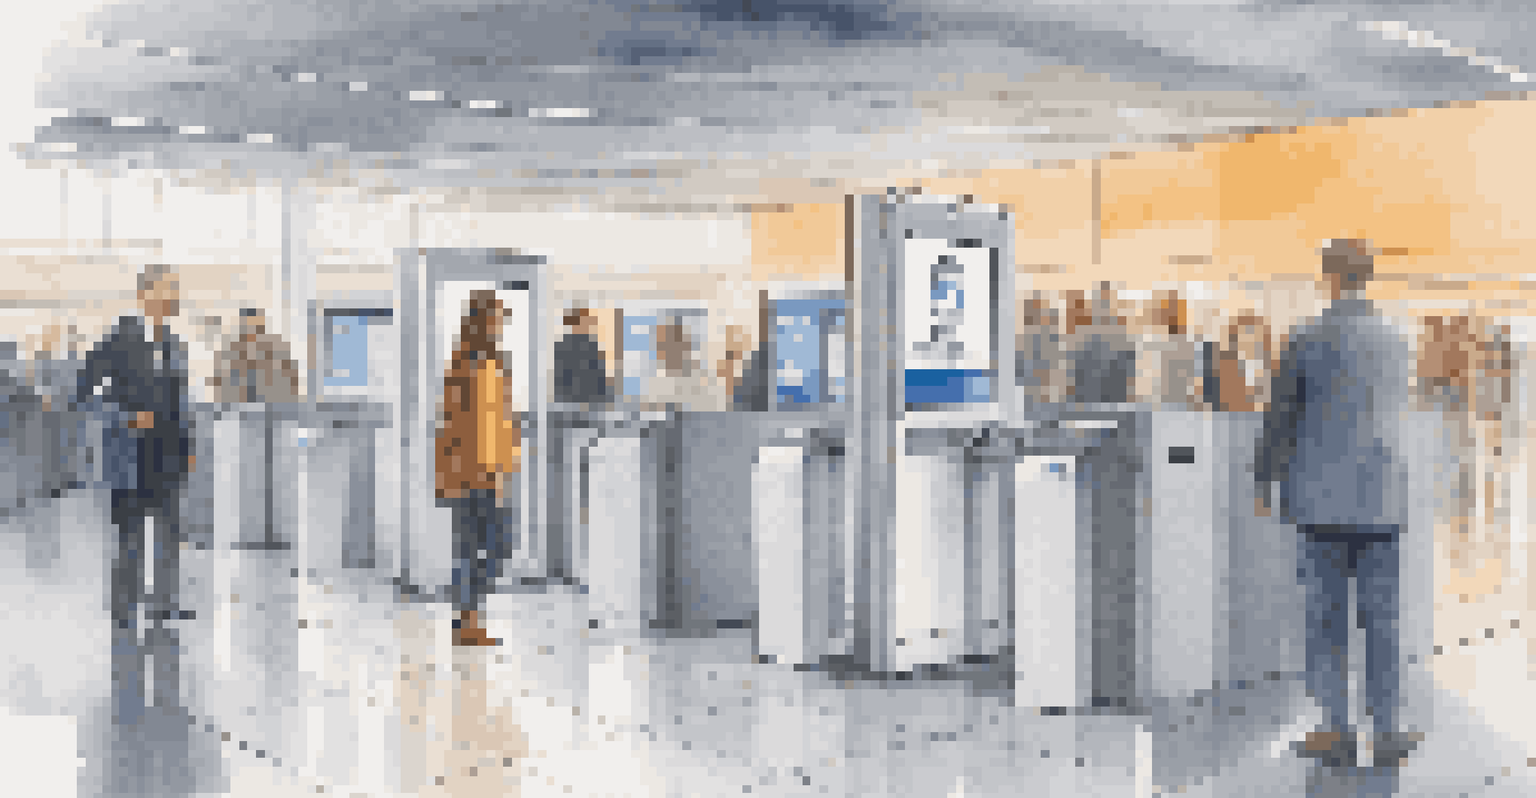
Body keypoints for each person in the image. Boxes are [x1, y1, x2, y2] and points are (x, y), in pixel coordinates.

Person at [1254, 239, 1419, 768]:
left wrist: (1265, 481)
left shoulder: (1307, 338)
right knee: (1383, 620)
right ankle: (1387, 727)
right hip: (1382, 501)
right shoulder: (1398, 340)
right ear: (1369, 275)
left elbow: (1279, 420)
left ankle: (1334, 730)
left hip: (1321, 502)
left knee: (1324, 619)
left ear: (1328, 275)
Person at [74, 264, 196, 725]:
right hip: (130, 456)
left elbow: (181, 399)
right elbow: (82, 393)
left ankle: (163, 606)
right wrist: (123, 417)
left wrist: (188, 447)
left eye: (176, 292)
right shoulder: (117, 340)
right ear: (147, 294)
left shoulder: (173, 342)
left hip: (167, 456)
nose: (175, 298)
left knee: (169, 535)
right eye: (169, 291)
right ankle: (123, 611)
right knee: (129, 537)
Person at [436, 291, 519, 647]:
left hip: (468, 471)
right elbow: (484, 426)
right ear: (484, 320)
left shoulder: (470, 361)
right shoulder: (479, 364)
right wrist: (498, 472)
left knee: (472, 547)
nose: (502, 325)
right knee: (495, 544)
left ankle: (467, 619)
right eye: (498, 318)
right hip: (478, 472)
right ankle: (467, 619)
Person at [211, 308, 301, 404]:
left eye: (255, 325)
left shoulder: (275, 343)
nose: (251, 329)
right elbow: (221, 378)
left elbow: (290, 371)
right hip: (239, 398)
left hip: (272, 397)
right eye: (248, 325)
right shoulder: (233, 347)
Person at [552, 307, 613, 406]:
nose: (590, 325)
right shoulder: (564, 347)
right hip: (576, 401)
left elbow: (598, 376)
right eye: (587, 321)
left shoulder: (591, 345)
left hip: (586, 401)